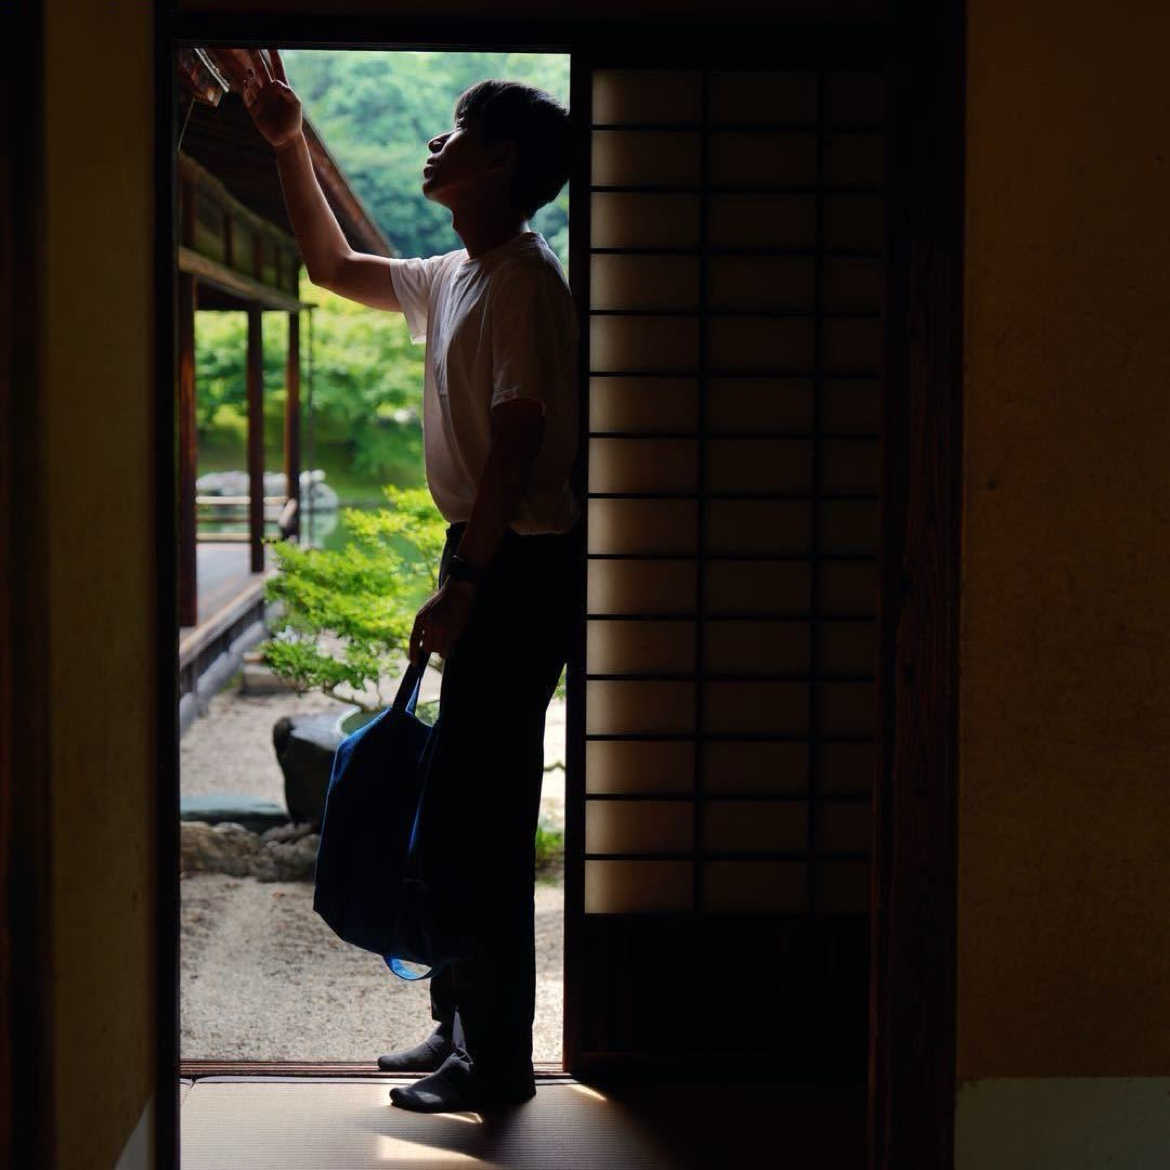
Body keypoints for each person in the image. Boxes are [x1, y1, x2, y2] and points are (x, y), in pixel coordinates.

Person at [239, 50, 581, 1113]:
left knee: (484, 814)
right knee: (456, 800)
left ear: (502, 160)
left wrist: (468, 577)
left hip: (518, 563)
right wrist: (288, 143)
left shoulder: (523, 281)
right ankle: (460, 1026)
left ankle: (497, 1064)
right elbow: (331, 265)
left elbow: (519, 441)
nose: (437, 142)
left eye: (457, 129)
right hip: (484, 553)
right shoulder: (456, 271)